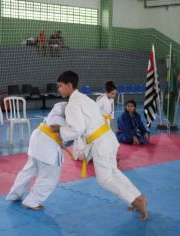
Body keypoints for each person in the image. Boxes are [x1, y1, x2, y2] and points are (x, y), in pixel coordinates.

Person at [50, 71, 148, 220]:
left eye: (60, 86)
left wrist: (59, 129)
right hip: (108, 138)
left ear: (69, 85)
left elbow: (77, 129)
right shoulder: (84, 98)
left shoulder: (72, 104)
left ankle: (136, 200)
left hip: (100, 143)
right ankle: (137, 196)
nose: (59, 89)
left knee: (105, 179)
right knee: (114, 172)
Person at [6, 102, 68, 210]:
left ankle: (14, 194)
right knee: (50, 176)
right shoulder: (73, 110)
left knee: (29, 169)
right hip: (48, 144)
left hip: (38, 136)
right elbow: (57, 128)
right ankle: (32, 201)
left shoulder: (61, 105)